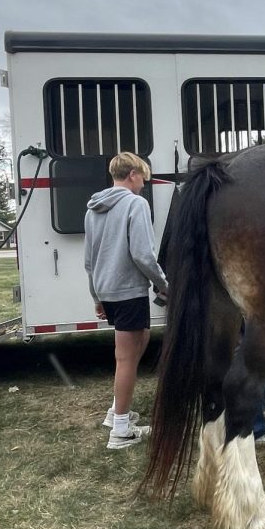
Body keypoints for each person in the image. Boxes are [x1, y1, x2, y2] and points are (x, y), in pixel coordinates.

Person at [84, 152, 168, 449]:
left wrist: (97, 296)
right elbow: (143, 255)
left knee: (140, 340)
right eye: (143, 176)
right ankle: (120, 430)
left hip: (108, 290)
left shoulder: (93, 208)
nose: (144, 183)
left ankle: (115, 412)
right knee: (127, 359)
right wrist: (164, 284)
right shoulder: (136, 204)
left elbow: (89, 260)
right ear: (132, 173)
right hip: (129, 291)